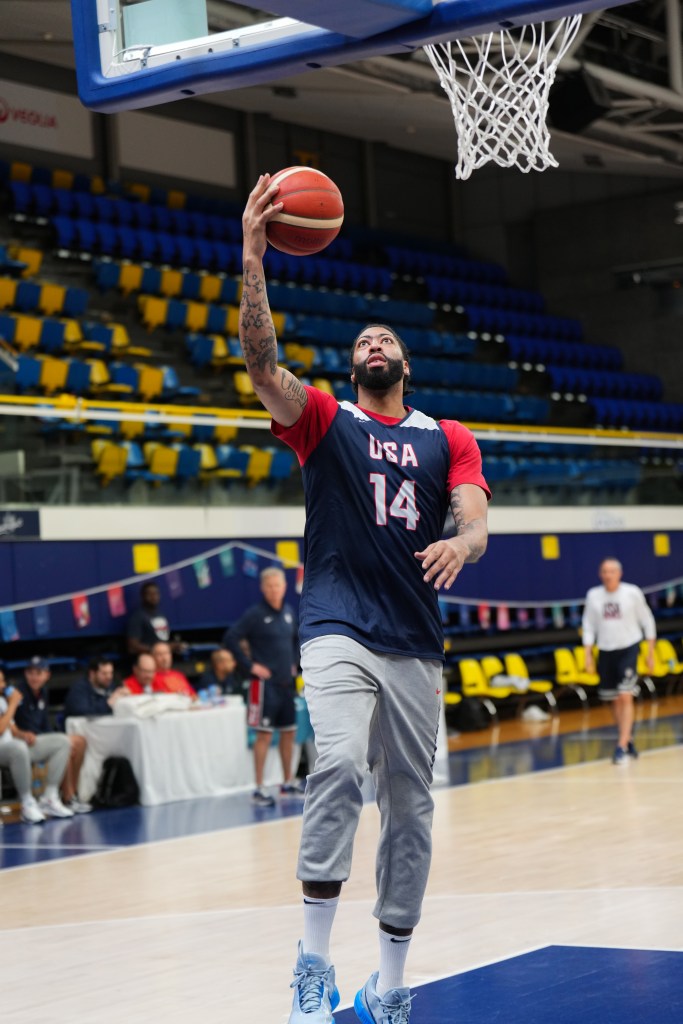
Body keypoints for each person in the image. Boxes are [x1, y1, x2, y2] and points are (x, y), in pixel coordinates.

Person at [240, 174, 490, 1024]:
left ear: (404, 364)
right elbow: (261, 363)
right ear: (353, 366)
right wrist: (252, 256)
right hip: (339, 622)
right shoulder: (322, 421)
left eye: (385, 335)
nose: (373, 341)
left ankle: (389, 979)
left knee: (411, 809)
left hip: (414, 640)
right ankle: (311, 966)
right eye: (362, 338)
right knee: (339, 764)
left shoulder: (447, 437)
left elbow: (476, 515)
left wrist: (462, 538)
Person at [222, 566, 300, 808]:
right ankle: (259, 787)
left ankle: (287, 782)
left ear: (284, 587)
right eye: (270, 586)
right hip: (263, 686)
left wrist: (295, 664)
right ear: (263, 589)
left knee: (289, 733)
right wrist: (250, 666)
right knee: (264, 735)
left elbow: (296, 639)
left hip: (286, 684)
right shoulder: (255, 614)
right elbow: (230, 638)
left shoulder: (288, 612)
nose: (275, 590)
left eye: (278, 585)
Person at [582, 557, 656, 765]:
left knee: (625, 696)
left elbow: (647, 620)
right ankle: (628, 738)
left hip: (629, 648)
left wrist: (650, 652)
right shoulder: (594, 596)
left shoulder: (631, 593)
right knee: (613, 698)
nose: (608, 575)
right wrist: (588, 654)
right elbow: (588, 625)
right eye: (604, 571)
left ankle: (621, 745)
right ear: (600, 574)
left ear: (619, 573)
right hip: (605, 650)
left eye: (612, 571)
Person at [0, 667, 73, 823]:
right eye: (0, 682)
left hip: (13, 748)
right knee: (17, 748)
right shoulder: (9, 703)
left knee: (61, 741)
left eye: (3, 680)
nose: (3, 685)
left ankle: (49, 797)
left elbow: (12, 729)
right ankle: (27, 802)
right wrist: (13, 704)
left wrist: (23, 734)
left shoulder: (1, 701)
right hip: (5, 749)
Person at [126, 582, 185, 657]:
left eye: (156, 594)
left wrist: (171, 646)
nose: (154, 597)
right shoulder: (137, 617)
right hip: (148, 660)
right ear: (142, 596)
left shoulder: (161, 614)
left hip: (163, 658)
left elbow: (161, 640)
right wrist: (155, 650)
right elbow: (132, 647)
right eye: (150, 594)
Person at [63, 657, 130, 719]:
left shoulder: (112, 685)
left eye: (111, 673)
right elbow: (82, 712)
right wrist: (107, 704)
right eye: (104, 673)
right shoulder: (79, 689)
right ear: (92, 674)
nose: (109, 677)